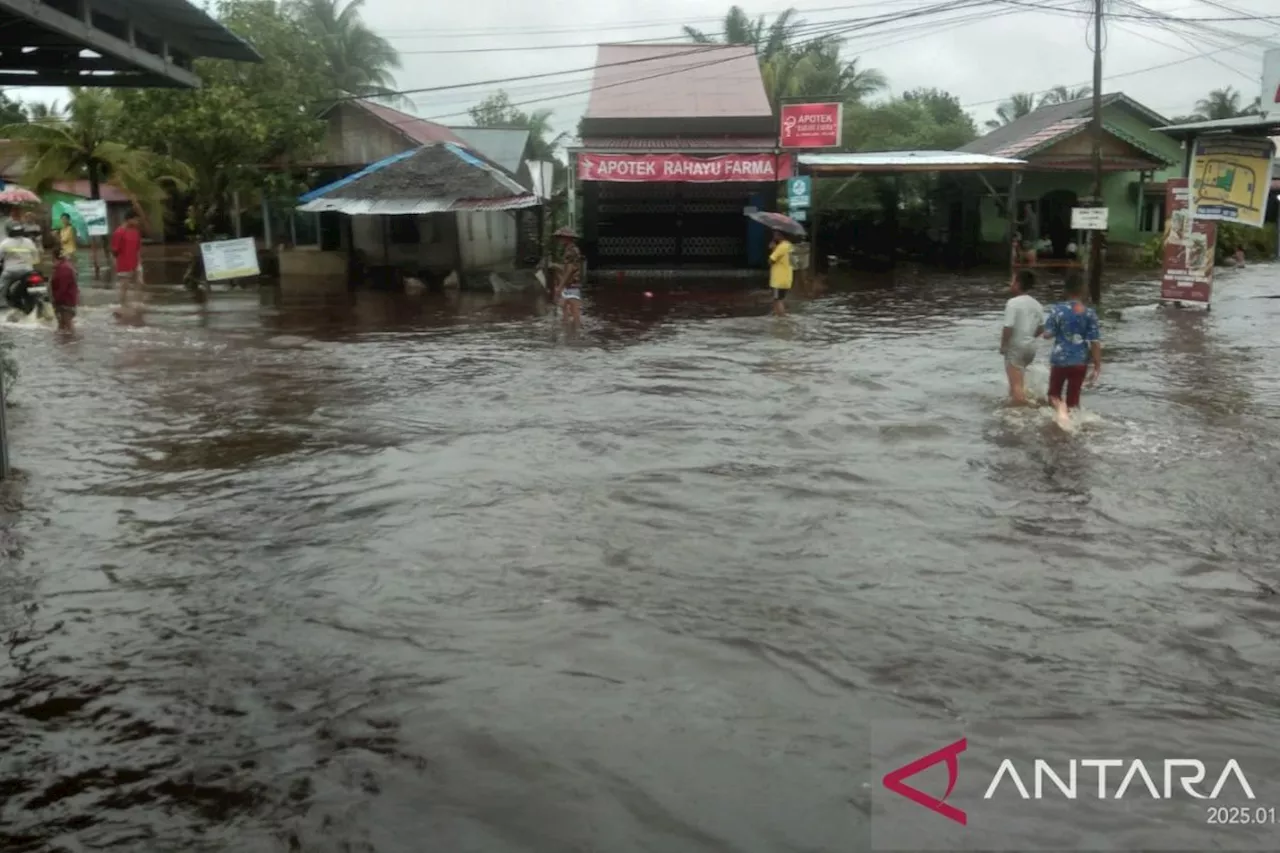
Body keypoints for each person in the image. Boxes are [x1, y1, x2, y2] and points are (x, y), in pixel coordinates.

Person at [1042, 272, 1102, 425]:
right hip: (1080, 362)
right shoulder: (1089, 313)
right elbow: (1095, 341)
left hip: (1060, 360)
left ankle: (1059, 408)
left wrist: (1048, 330)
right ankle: (1072, 431)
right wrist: (1097, 365)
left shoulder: (1057, 310)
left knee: (1053, 395)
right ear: (1083, 290)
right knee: (1074, 401)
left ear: (1065, 290)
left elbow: (1047, 335)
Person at [999, 269, 1044, 405]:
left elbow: (1008, 327)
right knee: (1017, 382)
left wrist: (1003, 345)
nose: (1010, 284)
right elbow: (1042, 328)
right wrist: (1029, 337)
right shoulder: (1037, 305)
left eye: (1012, 281)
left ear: (1018, 284)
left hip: (1016, 346)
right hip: (1030, 348)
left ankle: (1022, 413)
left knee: (1016, 386)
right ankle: (1015, 403)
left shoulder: (1013, 303)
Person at [0, 221, 40, 305]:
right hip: (27, 270)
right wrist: (33, 263)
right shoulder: (28, 241)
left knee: (2, 286)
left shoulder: (4, 243)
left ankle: (2, 302)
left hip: (11, 271)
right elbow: (35, 254)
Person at [110, 210, 143, 308]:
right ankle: (123, 305)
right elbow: (114, 251)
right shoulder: (119, 232)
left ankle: (137, 303)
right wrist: (115, 265)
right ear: (129, 220)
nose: (137, 222)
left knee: (140, 282)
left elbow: (138, 249)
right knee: (124, 286)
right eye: (136, 220)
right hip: (123, 263)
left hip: (135, 262)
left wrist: (140, 263)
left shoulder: (136, 232)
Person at [551, 226, 583, 326]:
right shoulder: (572, 249)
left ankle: (576, 334)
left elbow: (569, 270)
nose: (560, 240)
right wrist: (556, 265)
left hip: (572, 284)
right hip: (571, 284)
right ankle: (569, 334)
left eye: (562, 237)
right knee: (564, 307)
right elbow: (569, 268)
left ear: (567, 238)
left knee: (574, 312)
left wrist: (560, 287)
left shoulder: (570, 251)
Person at [50, 245, 79, 332]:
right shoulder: (64, 267)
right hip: (66, 300)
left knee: (67, 324)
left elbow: (63, 288)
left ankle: (71, 342)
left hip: (65, 301)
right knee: (63, 325)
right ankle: (64, 343)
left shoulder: (64, 269)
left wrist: (56, 300)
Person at [768, 229, 794, 316]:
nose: (774, 236)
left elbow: (771, 260)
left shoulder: (781, 247)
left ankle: (781, 320)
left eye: (775, 234)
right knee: (779, 299)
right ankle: (778, 316)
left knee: (778, 300)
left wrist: (773, 249)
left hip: (778, 279)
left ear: (780, 235)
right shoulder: (789, 245)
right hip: (787, 278)